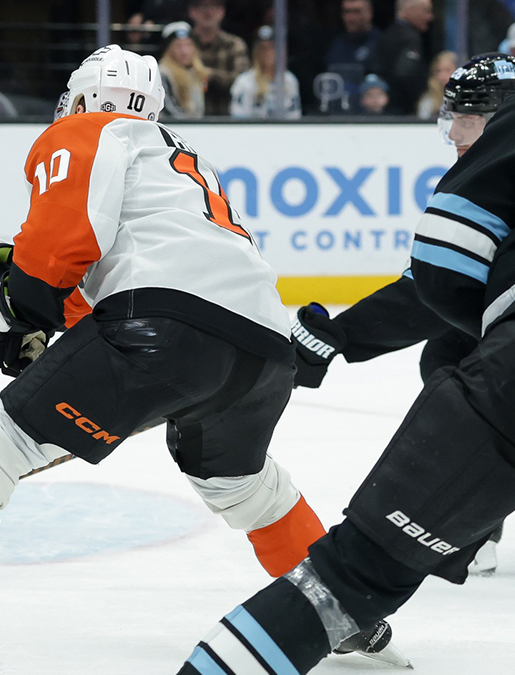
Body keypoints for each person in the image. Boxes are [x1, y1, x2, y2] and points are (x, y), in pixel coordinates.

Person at [0, 44, 397, 675]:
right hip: (262, 354)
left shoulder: (85, 130)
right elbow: (104, 286)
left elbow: (59, 257)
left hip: (166, 331)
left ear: (82, 99)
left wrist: (12, 316)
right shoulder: (175, 159)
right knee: (240, 483)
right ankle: (342, 612)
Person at [175, 53, 515, 675]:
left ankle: (471, 510)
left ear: (493, 117)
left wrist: (334, 336)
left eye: (460, 124)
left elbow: (438, 281)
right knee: (455, 351)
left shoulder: (501, 152)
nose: (453, 141)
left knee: (354, 572)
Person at [186, 0, 248, 116]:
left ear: (222, 11)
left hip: (227, 118)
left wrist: (209, 75)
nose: (208, 12)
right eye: (202, 6)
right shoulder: (181, 45)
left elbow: (243, 82)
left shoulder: (234, 44)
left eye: (214, 6)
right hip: (187, 118)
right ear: (192, 11)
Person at [375, 0, 433, 115]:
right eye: (426, 11)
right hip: (402, 111)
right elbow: (406, 74)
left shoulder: (387, 33)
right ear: (410, 10)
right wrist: (419, 97)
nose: (430, 17)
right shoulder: (409, 38)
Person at [230, 25, 300, 119]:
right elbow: (238, 117)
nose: (267, 52)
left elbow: (294, 116)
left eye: (272, 47)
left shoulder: (289, 80)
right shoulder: (244, 81)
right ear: (256, 51)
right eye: (262, 48)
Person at [325, 0, 382, 112]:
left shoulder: (381, 43)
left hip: (371, 114)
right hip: (338, 113)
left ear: (369, 13)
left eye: (357, 12)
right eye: (347, 12)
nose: (351, 17)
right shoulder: (336, 45)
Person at [159, 21, 208, 118]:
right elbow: (169, 112)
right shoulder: (163, 74)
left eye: (188, 45)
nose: (184, 51)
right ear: (169, 49)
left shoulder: (197, 72)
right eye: (178, 46)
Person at [416, 50, 458, 119]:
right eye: (438, 71)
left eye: (447, 70)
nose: (442, 77)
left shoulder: (469, 100)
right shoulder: (428, 101)